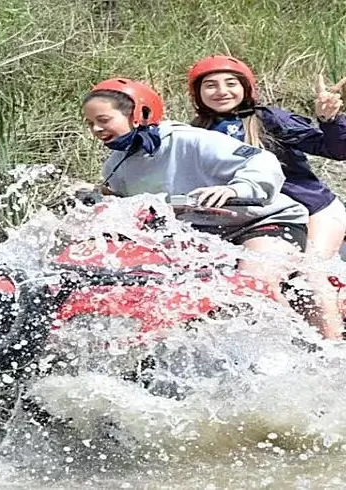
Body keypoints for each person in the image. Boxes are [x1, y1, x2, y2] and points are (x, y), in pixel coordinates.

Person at [81, 77, 338, 339]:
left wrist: (236, 189)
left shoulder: (190, 140)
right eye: (90, 123)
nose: (96, 129)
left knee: (255, 284)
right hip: (204, 233)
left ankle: (313, 350)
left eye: (103, 120)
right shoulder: (116, 165)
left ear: (141, 114)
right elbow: (126, 206)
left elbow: (262, 161)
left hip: (264, 222)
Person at [186, 54, 346, 338]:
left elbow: (336, 150)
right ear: (198, 94)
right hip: (257, 217)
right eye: (210, 85)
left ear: (246, 88)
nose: (221, 91)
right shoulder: (195, 132)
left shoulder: (268, 119)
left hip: (314, 210)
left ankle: (332, 349)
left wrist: (329, 119)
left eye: (231, 83)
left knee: (308, 272)